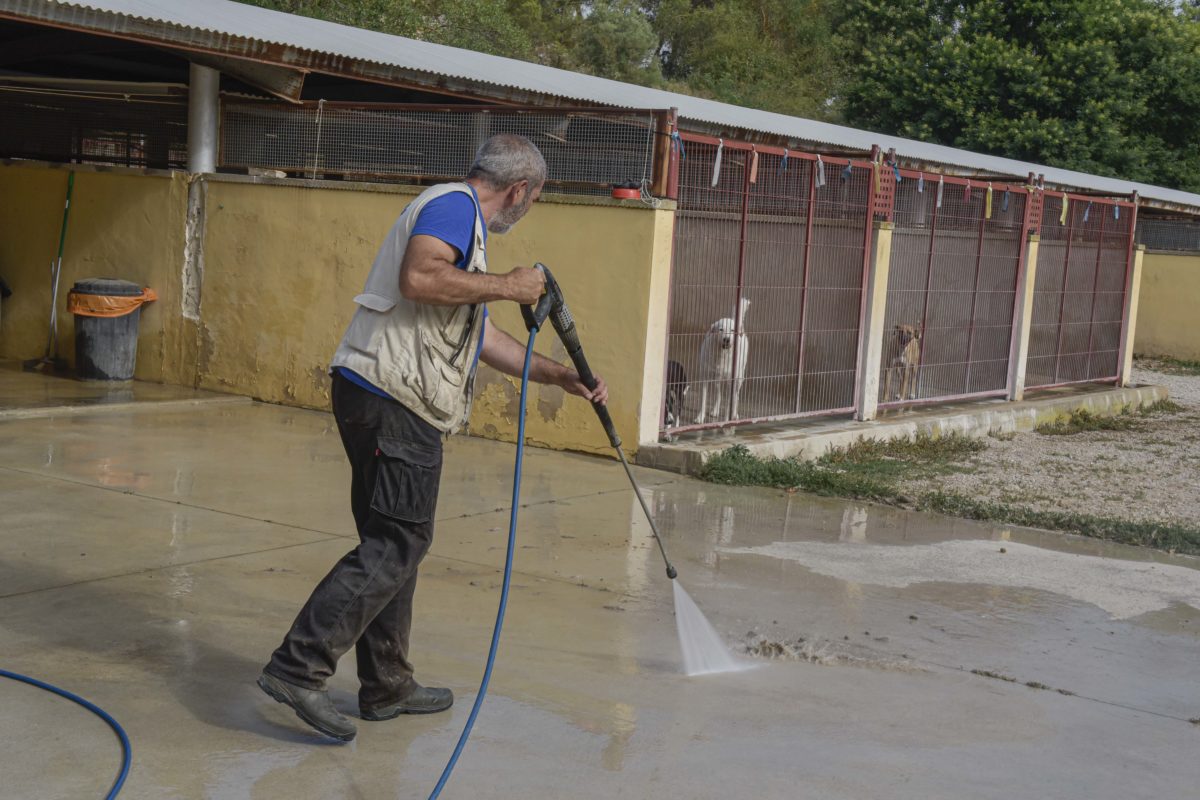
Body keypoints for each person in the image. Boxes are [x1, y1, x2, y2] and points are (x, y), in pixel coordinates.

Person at [257, 134, 608, 742]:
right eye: (535, 197)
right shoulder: (456, 207)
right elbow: (420, 278)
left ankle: (387, 684)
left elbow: (482, 337)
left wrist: (559, 375)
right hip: (396, 398)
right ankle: (298, 667)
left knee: (393, 537)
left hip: (377, 390)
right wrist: (509, 284)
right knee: (400, 539)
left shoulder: (462, 234)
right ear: (520, 190)